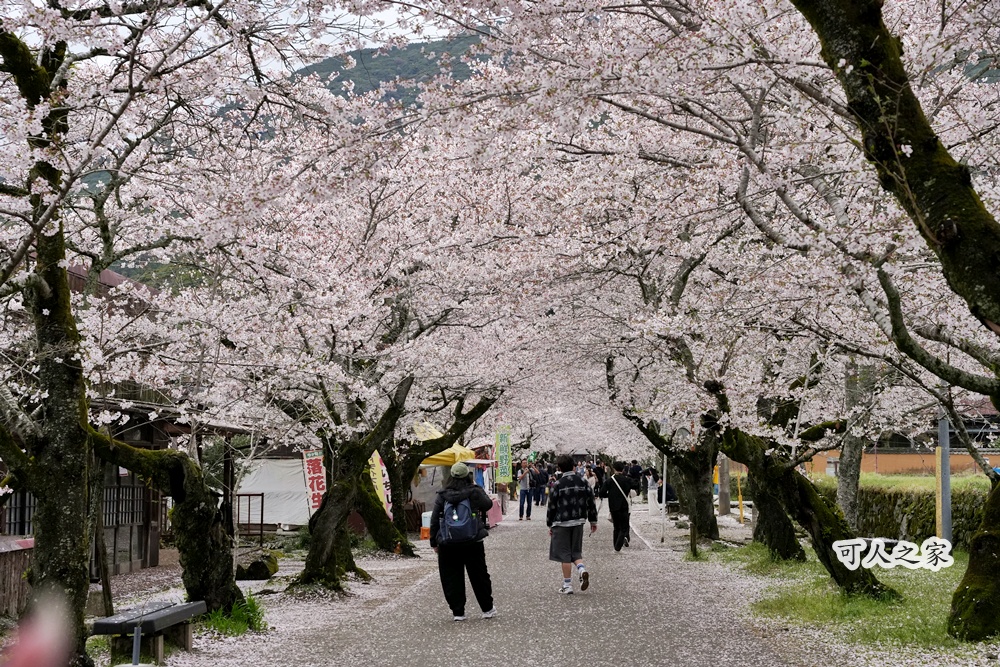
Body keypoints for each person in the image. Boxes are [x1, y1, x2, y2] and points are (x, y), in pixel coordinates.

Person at [429, 462, 497, 621]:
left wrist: (434, 541)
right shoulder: (473, 492)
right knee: (479, 574)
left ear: (451, 476)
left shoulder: (442, 494)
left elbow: (434, 519)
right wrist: (477, 489)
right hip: (472, 540)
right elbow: (487, 505)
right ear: (468, 475)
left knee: (451, 576)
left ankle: (458, 612)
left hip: (448, 541)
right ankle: (487, 609)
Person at [546, 454, 598, 594]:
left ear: (559, 468)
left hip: (561, 522)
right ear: (574, 466)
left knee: (564, 554)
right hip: (579, 521)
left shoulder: (557, 484)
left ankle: (567, 585)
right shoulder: (583, 481)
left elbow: (551, 505)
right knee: (576, 551)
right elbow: (591, 502)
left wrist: (550, 524)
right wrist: (593, 520)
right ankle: (582, 569)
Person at [600, 461, 635, 551]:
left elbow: (601, 493)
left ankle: (616, 544)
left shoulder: (609, 481)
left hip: (613, 506)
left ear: (614, 469)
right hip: (624, 506)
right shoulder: (627, 480)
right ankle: (618, 546)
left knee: (616, 527)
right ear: (623, 469)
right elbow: (636, 485)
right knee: (624, 527)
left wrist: (610, 495)